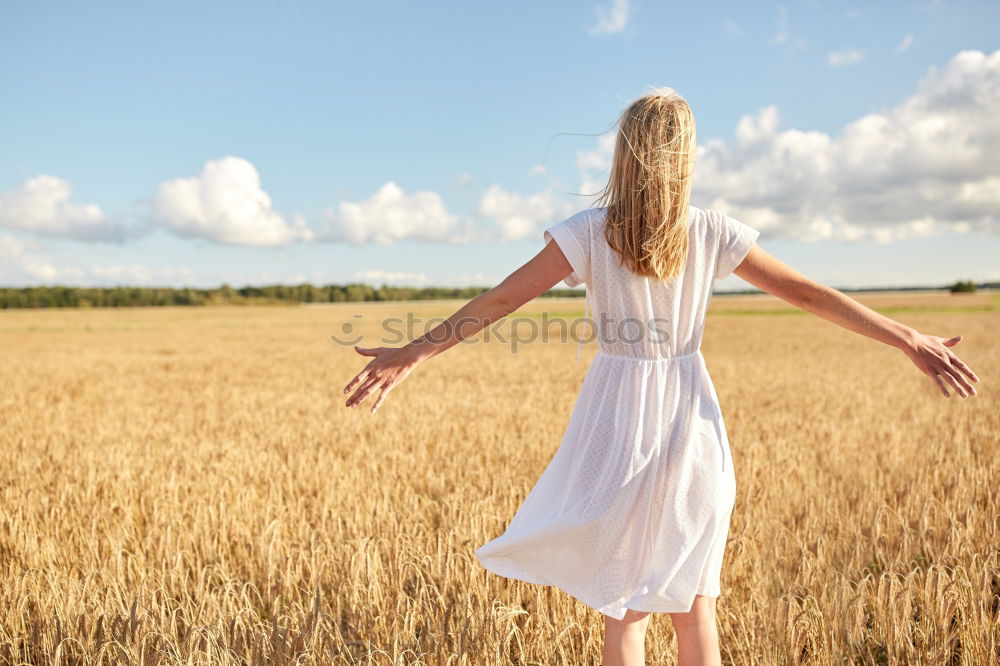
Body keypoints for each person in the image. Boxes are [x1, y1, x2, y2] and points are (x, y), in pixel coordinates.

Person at [342, 89, 980, 666]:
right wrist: (906, 336)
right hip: (690, 419)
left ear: (624, 152)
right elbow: (808, 294)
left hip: (617, 417)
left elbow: (503, 300)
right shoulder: (711, 231)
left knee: (625, 609)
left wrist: (415, 352)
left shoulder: (590, 232)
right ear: (685, 156)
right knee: (693, 603)